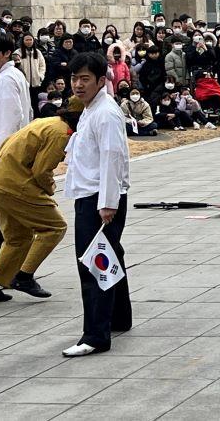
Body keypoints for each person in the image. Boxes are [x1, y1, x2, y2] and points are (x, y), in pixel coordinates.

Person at [0, 100, 83, 302]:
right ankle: (24, 276)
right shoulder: (61, 133)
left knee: (18, 237)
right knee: (55, 227)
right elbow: (42, 170)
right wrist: (49, 189)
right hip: (14, 183)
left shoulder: (49, 121)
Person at [62, 51, 132, 357]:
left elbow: (112, 158)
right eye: (74, 78)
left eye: (85, 79)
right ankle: (118, 317)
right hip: (90, 194)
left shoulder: (105, 112)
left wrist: (107, 202)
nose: (78, 85)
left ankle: (96, 334)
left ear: (101, 81)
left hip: (99, 200)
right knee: (110, 254)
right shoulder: (91, 108)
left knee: (94, 264)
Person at [0, 32, 34, 260]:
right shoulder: (12, 75)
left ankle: (3, 265)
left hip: (5, 152)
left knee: (1, 213)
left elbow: (13, 116)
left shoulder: (7, 79)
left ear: (6, 53)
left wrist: (3, 153)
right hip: (8, 150)